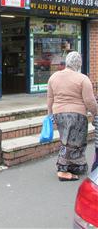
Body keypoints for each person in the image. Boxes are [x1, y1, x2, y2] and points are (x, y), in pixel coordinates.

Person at [47, 51, 98, 181]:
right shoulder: (82, 79)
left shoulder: (54, 77)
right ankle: (62, 170)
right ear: (79, 64)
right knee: (74, 143)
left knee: (66, 140)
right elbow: (90, 101)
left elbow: (50, 97)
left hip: (59, 114)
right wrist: (96, 113)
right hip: (76, 115)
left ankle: (75, 166)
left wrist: (49, 115)